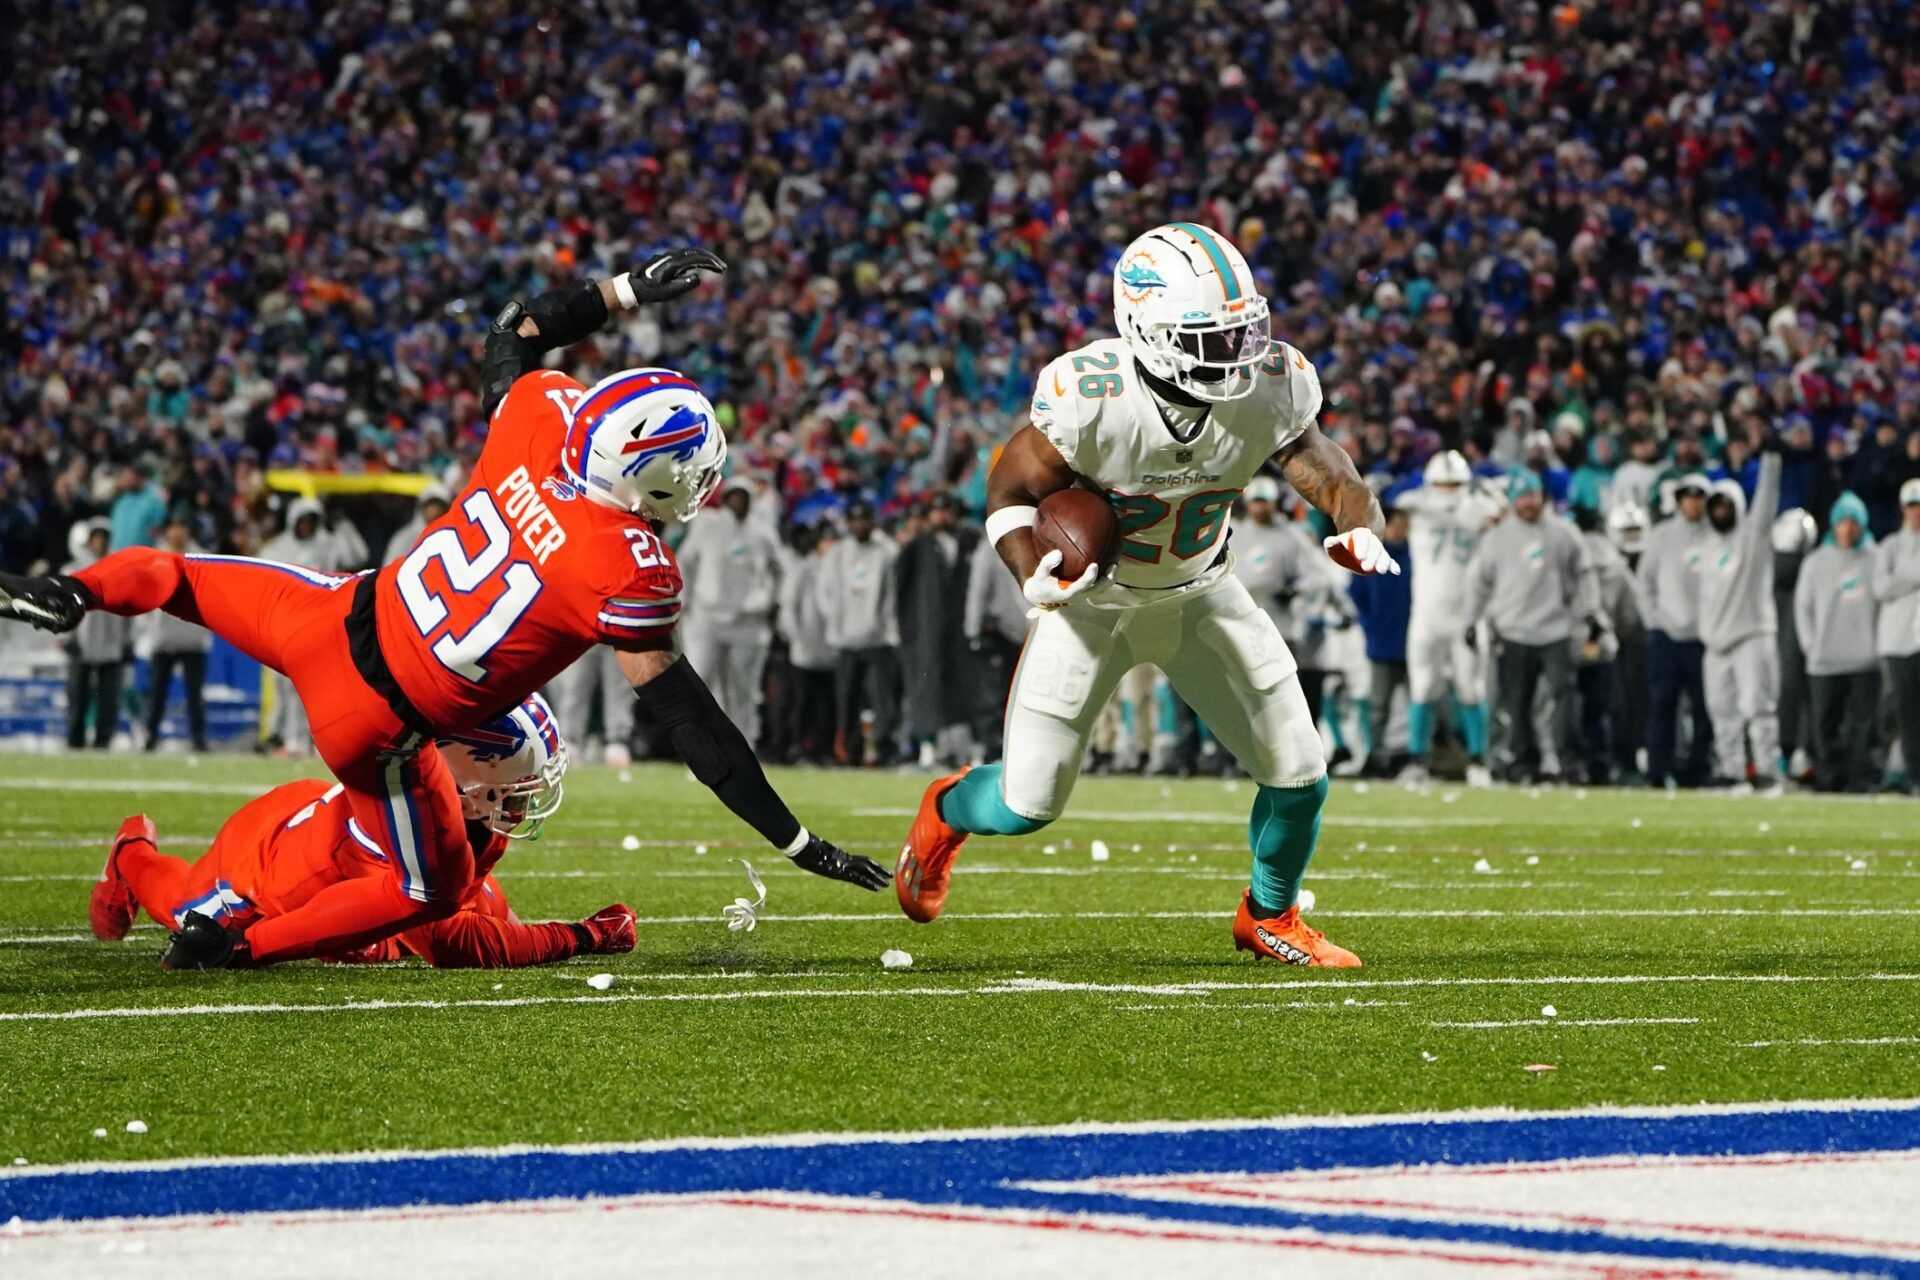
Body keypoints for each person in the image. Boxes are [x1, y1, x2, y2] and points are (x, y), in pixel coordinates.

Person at [1, 248, 884, 970]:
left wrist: (621, 291)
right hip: (376, 726)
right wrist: (800, 842)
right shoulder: (626, 567)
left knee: (176, 576)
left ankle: (71, 590)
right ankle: (240, 944)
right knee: (428, 892)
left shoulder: (540, 420)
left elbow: (515, 335)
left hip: (329, 617)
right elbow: (695, 726)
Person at [894, 222, 1400, 967]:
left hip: (1202, 594)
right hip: (1094, 611)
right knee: (1025, 805)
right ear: (1148, 331)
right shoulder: (1090, 394)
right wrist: (1027, 563)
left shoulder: (1269, 384)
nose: (1237, 355)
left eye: (1242, 332)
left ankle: (1270, 916)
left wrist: (1362, 527)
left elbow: (1332, 474)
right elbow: (1009, 485)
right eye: (1212, 338)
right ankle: (944, 811)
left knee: (1299, 773)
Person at [90, 694, 635, 969]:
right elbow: (458, 943)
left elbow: (479, 902)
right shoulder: (407, 831)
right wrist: (584, 935)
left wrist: (520, 927)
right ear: (468, 777)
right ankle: (131, 850)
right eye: (521, 780)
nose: (528, 793)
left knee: (432, 921)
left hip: (338, 830)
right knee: (188, 915)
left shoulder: (469, 812)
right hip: (261, 862)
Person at [1462, 470, 1597, 783]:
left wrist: (1589, 612)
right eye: (1523, 496)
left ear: (1542, 496)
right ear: (1512, 501)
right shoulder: (1496, 538)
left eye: (1533, 495)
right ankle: (1524, 761)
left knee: (1564, 697)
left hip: (1556, 629)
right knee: (1517, 703)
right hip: (1512, 630)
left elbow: (1584, 574)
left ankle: (1569, 760)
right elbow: (1478, 583)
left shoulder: (1564, 533)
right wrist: (1471, 620)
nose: (1529, 502)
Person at [1394, 450, 1502, 786]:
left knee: (1471, 689)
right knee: (1422, 687)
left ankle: (1478, 760)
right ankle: (1417, 760)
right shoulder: (1417, 504)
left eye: (1453, 483)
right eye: (1440, 483)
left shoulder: (1478, 507)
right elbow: (1398, 500)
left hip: (1466, 615)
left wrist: (1483, 501)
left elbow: (1496, 512)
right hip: (1426, 613)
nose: (1446, 490)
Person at [1699, 448, 1784, 791]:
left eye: (1726, 505)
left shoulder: (1752, 539)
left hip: (1751, 634)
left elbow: (1765, 501)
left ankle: (1766, 768)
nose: (1720, 512)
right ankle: (1731, 769)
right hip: (1715, 640)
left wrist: (1769, 459)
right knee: (1722, 711)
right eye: (1715, 506)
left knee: (1758, 707)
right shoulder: (1707, 546)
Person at [677, 476, 783, 746]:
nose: (738, 501)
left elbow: (782, 571)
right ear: (725, 498)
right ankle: (702, 745)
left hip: (748, 621)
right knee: (700, 681)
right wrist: (684, 599)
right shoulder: (707, 525)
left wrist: (775, 602)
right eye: (734, 495)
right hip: (707, 617)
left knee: (743, 688)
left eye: (744, 496)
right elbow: (685, 562)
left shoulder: (763, 532)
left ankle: (744, 744)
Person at [256, 497, 365, 756]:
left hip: (321, 624)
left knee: (320, 689)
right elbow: (262, 581)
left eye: (311, 520)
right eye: (302, 520)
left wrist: (344, 528)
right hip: (285, 626)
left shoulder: (328, 543)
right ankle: (286, 738)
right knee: (286, 688)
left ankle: (313, 742)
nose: (306, 525)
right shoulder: (278, 548)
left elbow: (357, 555)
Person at [1795, 493, 1880, 793]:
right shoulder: (1816, 562)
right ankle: (1829, 778)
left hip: (1864, 659)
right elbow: (1802, 607)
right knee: (1824, 725)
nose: (1848, 529)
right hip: (1824, 659)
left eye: (1853, 522)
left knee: (1863, 725)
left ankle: (1860, 778)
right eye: (1843, 522)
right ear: (1833, 524)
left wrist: (1876, 646)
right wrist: (1811, 646)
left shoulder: (1875, 559)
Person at [1637, 473, 1714, 787]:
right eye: (1687, 497)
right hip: (1667, 635)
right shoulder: (1663, 535)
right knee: (1662, 705)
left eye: (1699, 497)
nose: (1693, 503)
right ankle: (1658, 768)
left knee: (1705, 709)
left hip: (1706, 636)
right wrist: (1654, 620)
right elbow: (1645, 582)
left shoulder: (1717, 535)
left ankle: (1699, 769)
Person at [816, 499, 902, 765]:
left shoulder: (887, 551)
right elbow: (824, 592)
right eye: (854, 520)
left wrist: (890, 629)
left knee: (883, 701)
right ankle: (851, 752)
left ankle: (885, 750)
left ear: (872, 522)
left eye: (864, 519)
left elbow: (894, 594)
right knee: (847, 702)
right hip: (846, 640)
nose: (859, 525)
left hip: (879, 639)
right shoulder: (837, 554)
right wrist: (834, 624)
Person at [896, 492, 976, 767]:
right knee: (925, 688)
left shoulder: (969, 543)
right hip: (924, 629)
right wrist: (905, 628)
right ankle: (926, 745)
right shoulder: (917, 546)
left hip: (958, 630)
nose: (940, 517)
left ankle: (957, 748)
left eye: (946, 511)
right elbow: (900, 590)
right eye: (936, 512)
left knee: (960, 687)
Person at [1347, 506, 1413, 778]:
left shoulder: (1417, 557)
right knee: (1378, 706)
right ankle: (1376, 756)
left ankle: (1414, 755)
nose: (1398, 530)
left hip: (1413, 642)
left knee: (1419, 702)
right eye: (1394, 525)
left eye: (1402, 525)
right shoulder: (1371, 557)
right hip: (1382, 642)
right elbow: (1355, 593)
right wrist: (1369, 624)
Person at [962, 518, 1031, 763]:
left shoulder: (1033, 538)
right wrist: (973, 630)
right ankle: (990, 746)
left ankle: (1017, 747)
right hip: (1002, 631)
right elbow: (977, 590)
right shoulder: (991, 547)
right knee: (995, 692)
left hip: (1029, 631)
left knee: (1023, 695)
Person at [143, 518, 212, 752]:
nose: (178, 531)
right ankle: (150, 736)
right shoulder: (154, 557)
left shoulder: (201, 557)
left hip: (193, 637)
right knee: (157, 694)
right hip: (163, 637)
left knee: (194, 694)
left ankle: (198, 737)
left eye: (181, 526)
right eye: (174, 526)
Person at [63, 521, 131, 750]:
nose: (100, 541)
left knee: (108, 700)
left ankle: (103, 739)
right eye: (97, 536)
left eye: (104, 537)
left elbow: (128, 608)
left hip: (111, 643)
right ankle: (75, 739)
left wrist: (126, 641)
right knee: (78, 698)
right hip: (82, 643)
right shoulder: (74, 571)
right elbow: (64, 608)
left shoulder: (119, 570)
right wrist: (67, 638)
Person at [777, 523, 838, 764]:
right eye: (827, 541)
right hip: (806, 645)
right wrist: (795, 637)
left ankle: (824, 751)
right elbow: (789, 606)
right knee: (803, 702)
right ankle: (799, 748)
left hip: (830, 647)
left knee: (828, 706)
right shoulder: (803, 569)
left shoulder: (835, 569)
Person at [1875, 481, 1920, 794]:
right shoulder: (1889, 546)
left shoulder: (1892, 553)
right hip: (1897, 641)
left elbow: (1892, 583)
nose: (1916, 512)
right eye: (1912, 505)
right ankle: (1901, 770)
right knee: (1899, 711)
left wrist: (1901, 575)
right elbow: (1881, 588)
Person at [1771, 508, 1820, 782]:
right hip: (1797, 636)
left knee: (1786, 688)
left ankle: (1783, 751)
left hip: (1787, 635)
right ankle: (1798, 750)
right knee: (1796, 689)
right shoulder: (1811, 564)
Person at [546, 646, 634, 767]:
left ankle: (617, 742)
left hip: (619, 634)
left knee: (619, 689)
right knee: (574, 687)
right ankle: (569, 743)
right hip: (584, 634)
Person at [384, 486, 451, 565]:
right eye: (431, 505)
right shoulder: (406, 537)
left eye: (439, 506)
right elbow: (389, 565)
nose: (435, 511)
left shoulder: (449, 537)